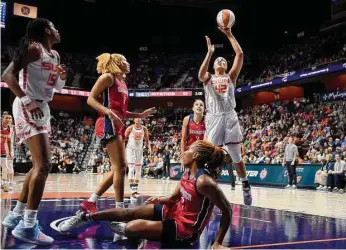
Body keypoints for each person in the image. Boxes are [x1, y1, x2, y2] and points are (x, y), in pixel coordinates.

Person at [58, 140, 232, 249]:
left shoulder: (204, 182)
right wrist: (161, 200)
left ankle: (134, 231)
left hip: (185, 230)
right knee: (129, 212)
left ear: (194, 155)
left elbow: (227, 210)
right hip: (173, 212)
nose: (183, 151)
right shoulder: (187, 173)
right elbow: (174, 198)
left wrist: (217, 243)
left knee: (131, 227)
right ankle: (85, 217)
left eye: (187, 149)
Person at [1, 18, 66, 245]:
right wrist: (27, 100)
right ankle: (28, 226)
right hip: (29, 104)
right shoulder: (34, 48)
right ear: (47, 30)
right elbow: (7, 76)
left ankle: (16, 214)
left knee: (38, 165)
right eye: (55, 27)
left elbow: (56, 87)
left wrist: (61, 77)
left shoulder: (55, 56)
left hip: (42, 106)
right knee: (44, 166)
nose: (58, 31)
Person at [79, 53, 156, 213]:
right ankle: (119, 209)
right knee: (121, 167)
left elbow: (120, 111)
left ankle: (91, 202)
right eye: (125, 60)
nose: (128, 63)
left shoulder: (123, 83)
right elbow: (90, 99)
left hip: (117, 123)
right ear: (117, 62)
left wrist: (139, 115)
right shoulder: (107, 78)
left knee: (118, 168)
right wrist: (107, 111)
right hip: (107, 123)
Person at [198, 27, 252, 205]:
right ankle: (210, 186)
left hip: (229, 116)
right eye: (217, 60)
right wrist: (209, 53)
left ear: (226, 66)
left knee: (236, 155)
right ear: (214, 65)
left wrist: (229, 34)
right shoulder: (208, 78)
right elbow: (200, 74)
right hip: (213, 117)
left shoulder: (231, 77)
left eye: (223, 60)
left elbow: (240, 54)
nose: (221, 61)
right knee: (210, 155)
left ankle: (245, 184)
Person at [125, 118, 150, 197]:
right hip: (130, 149)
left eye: (140, 119)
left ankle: (135, 188)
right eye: (137, 118)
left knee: (138, 170)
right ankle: (132, 188)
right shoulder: (130, 128)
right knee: (131, 168)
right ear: (134, 120)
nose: (138, 120)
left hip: (139, 150)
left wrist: (149, 147)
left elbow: (147, 139)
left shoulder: (144, 129)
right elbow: (123, 138)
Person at [181, 99, 206, 171]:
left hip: (202, 151)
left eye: (201, 105)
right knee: (188, 176)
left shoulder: (207, 120)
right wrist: (183, 157)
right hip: (189, 151)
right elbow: (183, 139)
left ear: (204, 109)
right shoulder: (187, 119)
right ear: (193, 108)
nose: (199, 106)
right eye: (196, 104)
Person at [1, 112, 14, 192]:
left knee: (8, 167)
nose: (9, 119)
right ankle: (3, 183)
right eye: (7, 118)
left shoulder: (13, 128)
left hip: (8, 150)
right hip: (2, 148)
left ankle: (9, 183)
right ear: (2, 119)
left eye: (10, 118)